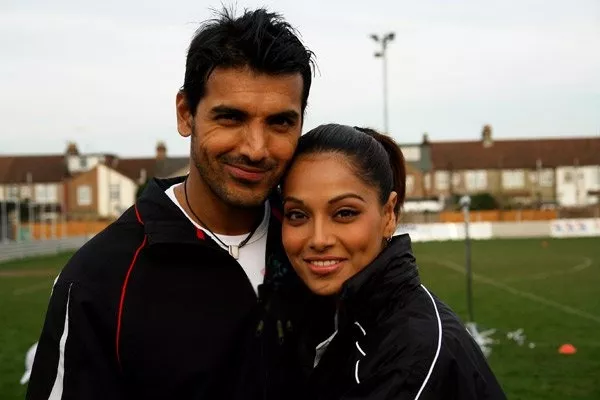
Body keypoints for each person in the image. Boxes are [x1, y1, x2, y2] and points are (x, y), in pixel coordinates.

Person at [27, 8, 316, 400]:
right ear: (185, 114)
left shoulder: (322, 246)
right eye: (231, 117)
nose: (256, 148)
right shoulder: (98, 279)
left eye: (280, 122)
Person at [281, 124, 507, 399]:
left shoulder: (412, 357)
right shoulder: (323, 314)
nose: (318, 239)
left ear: (388, 214)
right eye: (297, 215)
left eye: (344, 213)